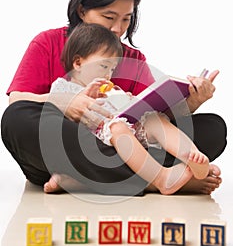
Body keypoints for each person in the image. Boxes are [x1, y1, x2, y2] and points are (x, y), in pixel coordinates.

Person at [1, 0, 226, 197]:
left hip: (123, 145)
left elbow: (158, 118)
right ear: (81, 11)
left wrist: (193, 101)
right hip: (69, 145)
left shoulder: (132, 58)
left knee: (212, 129)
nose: (118, 29)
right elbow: (18, 101)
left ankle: (79, 180)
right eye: (109, 17)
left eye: (126, 19)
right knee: (16, 119)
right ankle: (153, 181)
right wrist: (64, 102)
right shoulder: (48, 43)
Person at [44, 22, 210, 195]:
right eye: (104, 66)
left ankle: (190, 155)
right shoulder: (63, 87)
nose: (108, 75)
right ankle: (161, 178)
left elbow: (121, 109)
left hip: (124, 128)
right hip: (96, 137)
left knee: (154, 119)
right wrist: (84, 98)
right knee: (117, 128)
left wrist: (130, 101)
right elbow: (56, 113)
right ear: (78, 63)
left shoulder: (110, 88)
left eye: (112, 69)